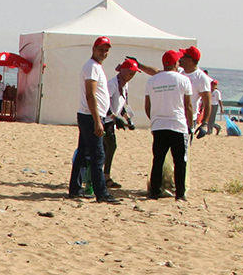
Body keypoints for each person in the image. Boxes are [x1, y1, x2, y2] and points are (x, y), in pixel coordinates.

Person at [67, 37, 116, 202]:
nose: (103, 53)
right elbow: (90, 95)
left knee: (83, 153)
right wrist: (97, 121)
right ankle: (101, 193)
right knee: (97, 155)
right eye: (101, 49)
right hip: (90, 115)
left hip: (89, 114)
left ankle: (75, 188)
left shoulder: (95, 67)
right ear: (94, 49)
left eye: (106, 50)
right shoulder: (92, 67)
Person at [142, 50, 194, 199]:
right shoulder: (183, 80)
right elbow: (188, 106)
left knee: (158, 160)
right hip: (177, 124)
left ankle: (155, 191)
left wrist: (154, 118)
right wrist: (190, 125)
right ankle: (180, 193)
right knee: (180, 161)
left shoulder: (152, 81)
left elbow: (148, 106)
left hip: (159, 125)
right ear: (175, 63)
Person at [104, 57, 143, 189]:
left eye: (134, 74)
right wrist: (115, 118)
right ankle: (105, 177)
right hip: (104, 121)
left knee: (106, 148)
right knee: (111, 146)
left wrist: (127, 118)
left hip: (111, 121)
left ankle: (100, 175)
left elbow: (122, 104)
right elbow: (105, 105)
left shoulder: (124, 85)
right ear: (123, 71)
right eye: (131, 73)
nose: (132, 76)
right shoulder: (112, 84)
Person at [185, 47, 219, 138]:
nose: (180, 58)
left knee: (183, 150)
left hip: (189, 119)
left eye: (183, 56)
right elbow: (157, 72)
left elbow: (207, 102)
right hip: (175, 117)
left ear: (189, 60)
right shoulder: (179, 71)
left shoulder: (201, 77)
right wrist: (141, 66)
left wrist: (204, 124)